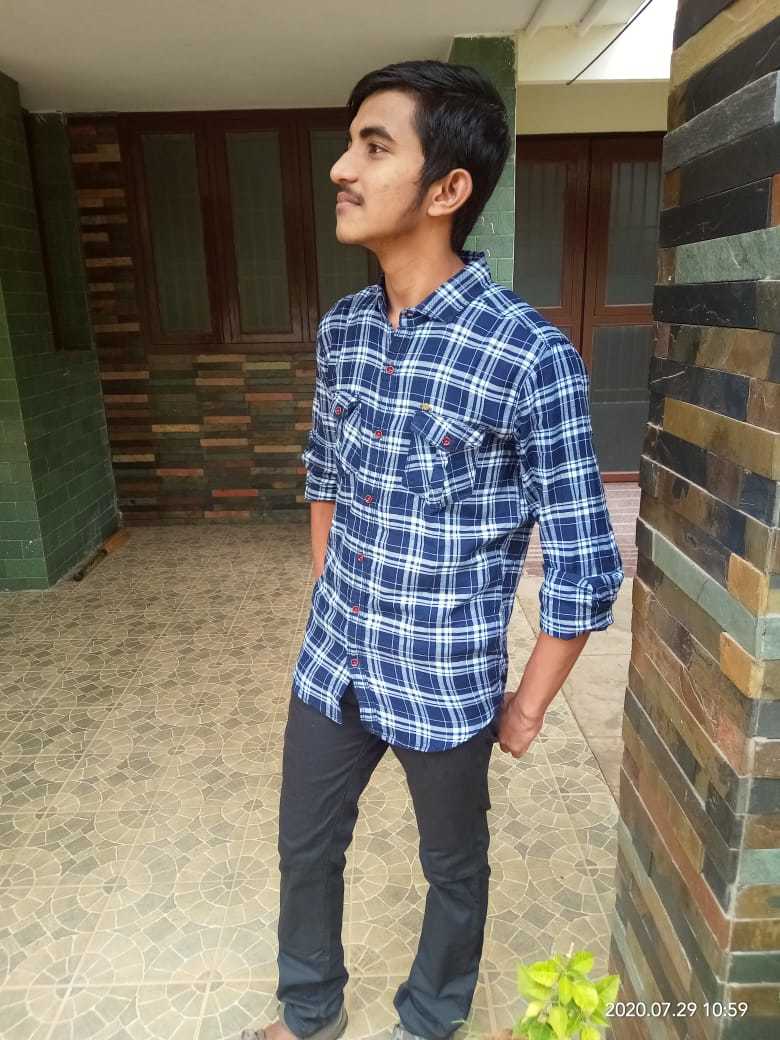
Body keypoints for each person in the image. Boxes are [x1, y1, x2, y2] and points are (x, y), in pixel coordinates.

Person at [241, 58, 623, 1040]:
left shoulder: (529, 356)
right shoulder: (344, 329)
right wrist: (331, 585)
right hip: (333, 664)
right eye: (349, 145)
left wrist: (527, 705)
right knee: (305, 847)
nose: (341, 169)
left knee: (453, 868)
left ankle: (430, 1018)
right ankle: (309, 1010)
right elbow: (325, 472)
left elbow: (585, 561)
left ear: (448, 189)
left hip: (445, 683)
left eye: (375, 148)